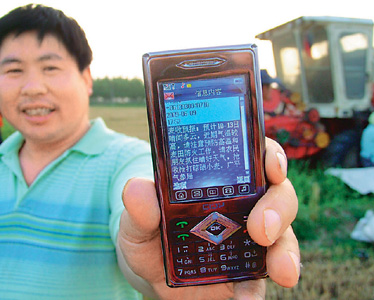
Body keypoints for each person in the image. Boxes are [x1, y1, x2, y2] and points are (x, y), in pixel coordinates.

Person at [0, 4, 300, 300]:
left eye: (50, 67)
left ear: (86, 78)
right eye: (14, 70)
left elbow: (133, 244)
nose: (33, 87)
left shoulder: (127, 160)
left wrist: (157, 278)